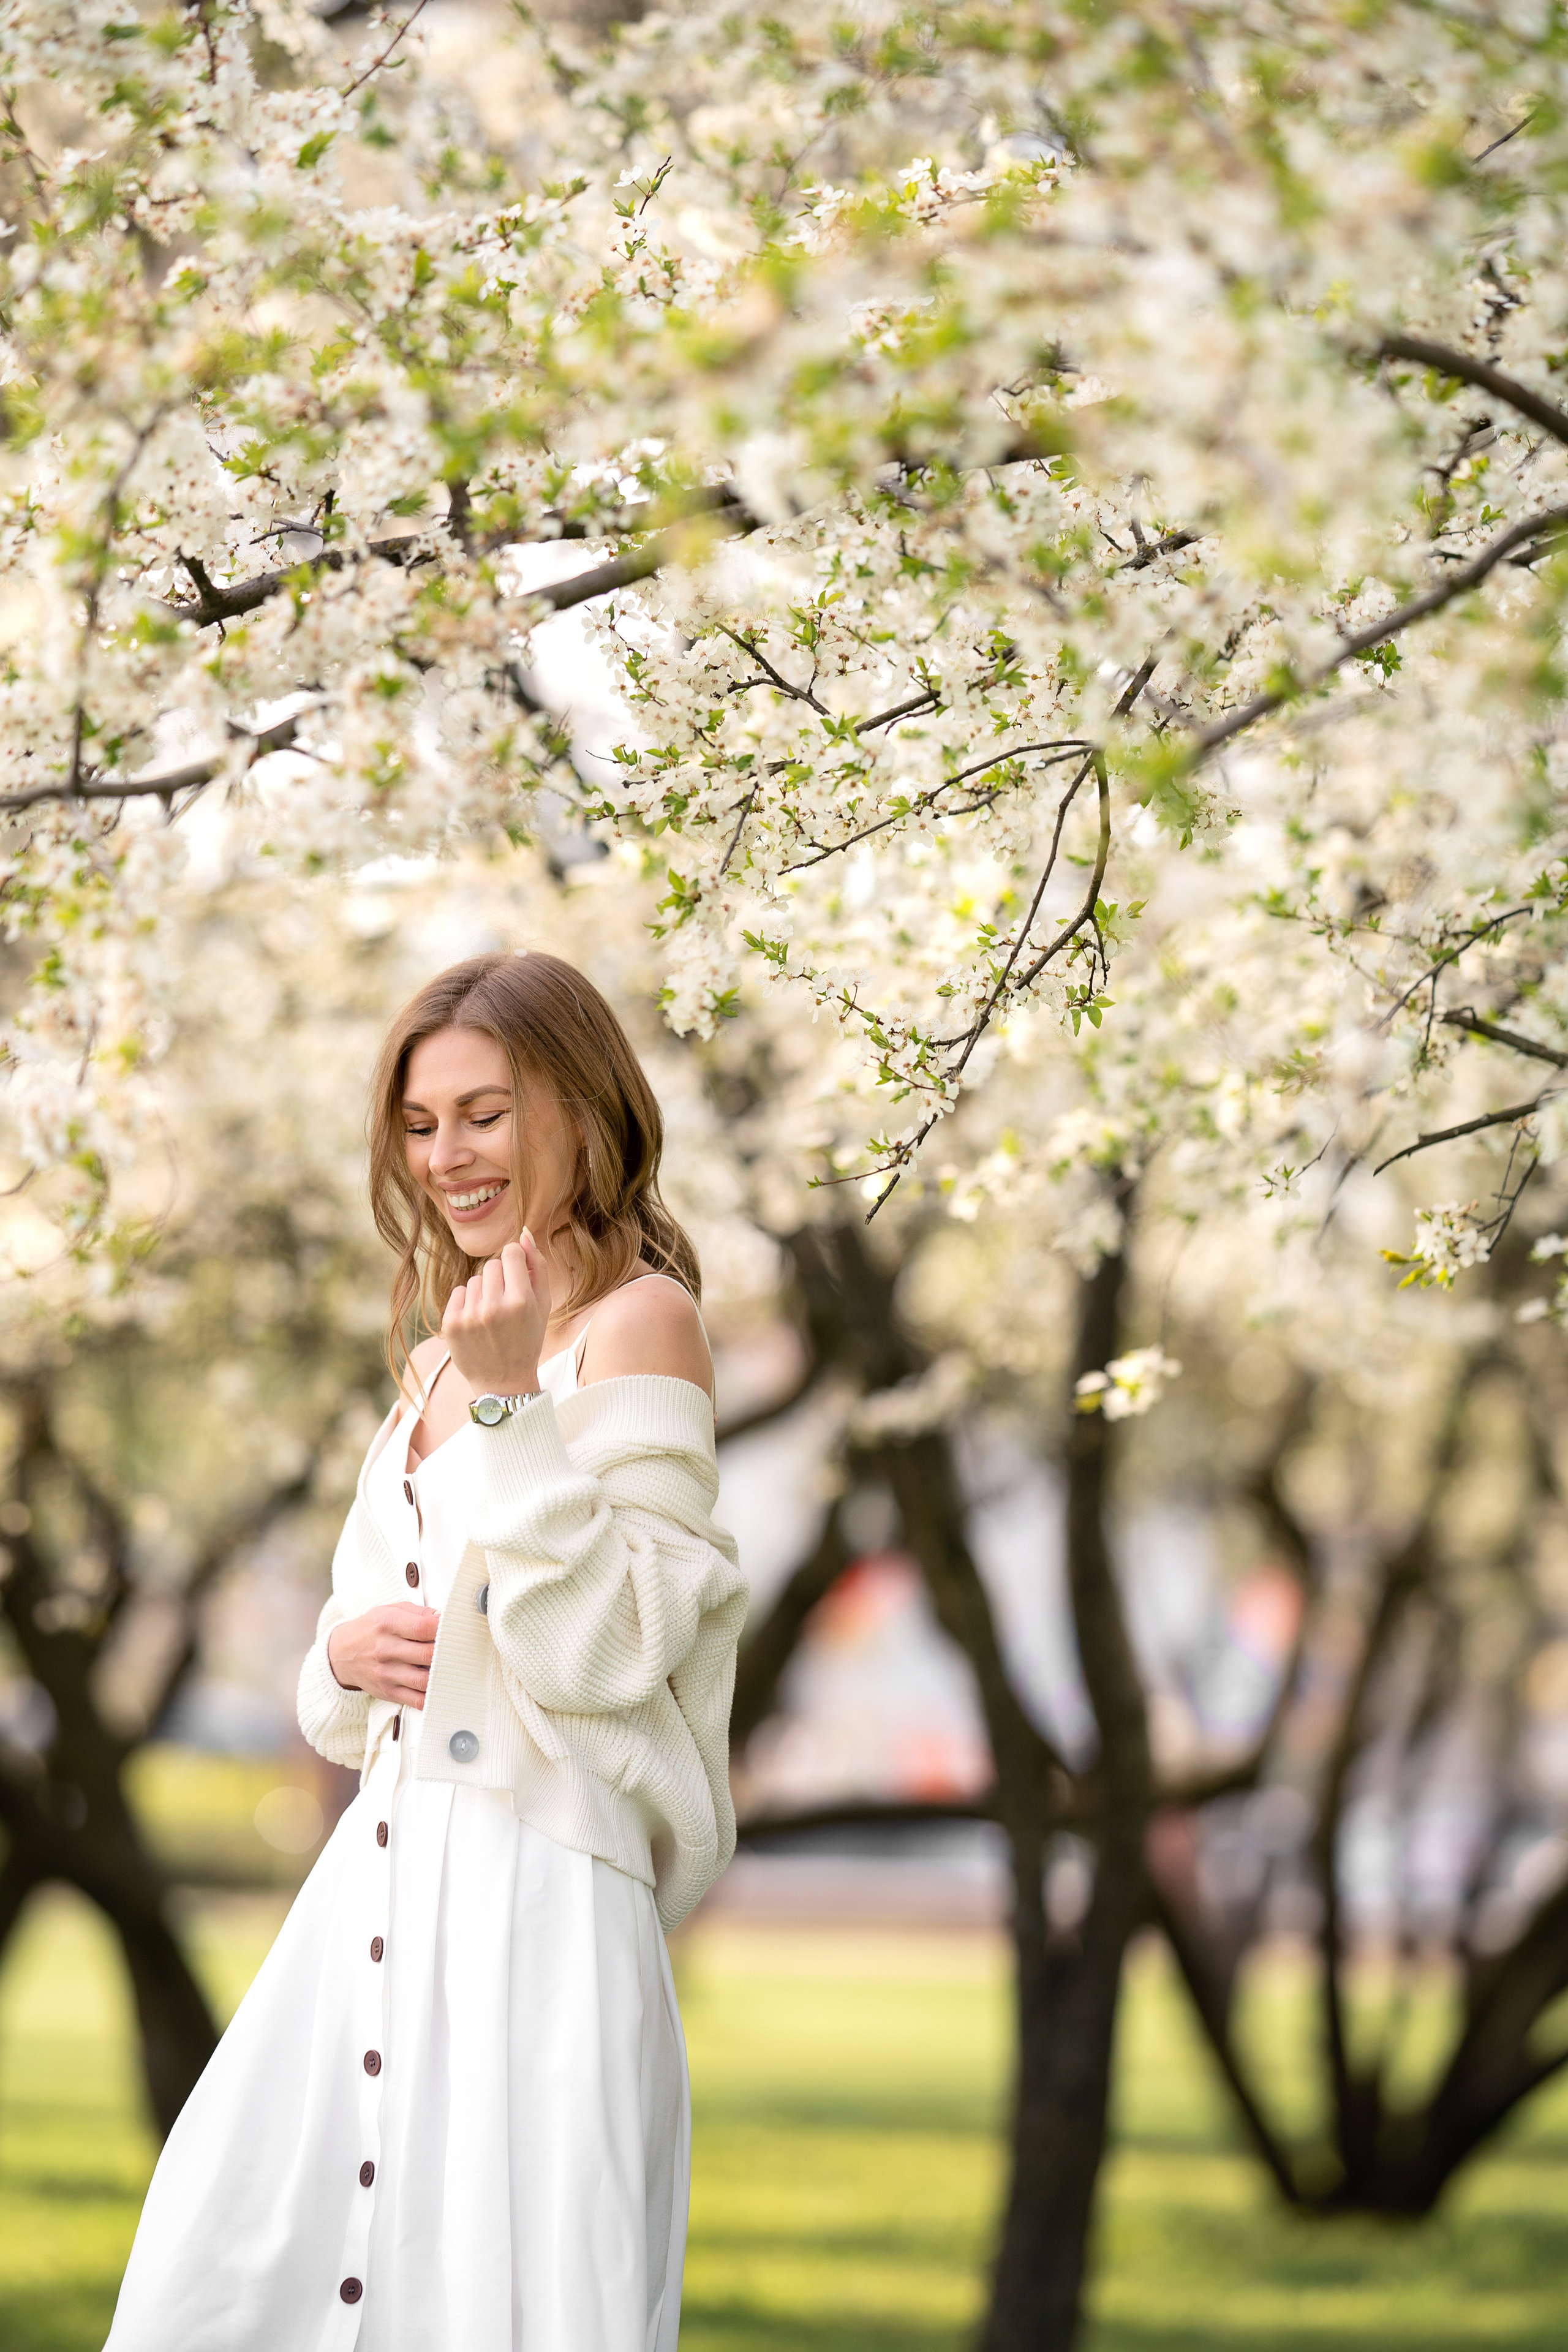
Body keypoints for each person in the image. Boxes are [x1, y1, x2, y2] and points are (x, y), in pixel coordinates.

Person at [105, 949, 748, 2352]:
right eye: (419, 1122)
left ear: (580, 1111)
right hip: (379, 1894)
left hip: (539, 1913)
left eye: (484, 1112)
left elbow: (608, 1661)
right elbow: (341, 1678)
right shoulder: (434, 1359)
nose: (446, 1156)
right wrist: (342, 1659)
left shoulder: (642, 1327)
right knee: (222, 2276)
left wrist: (519, 1402)